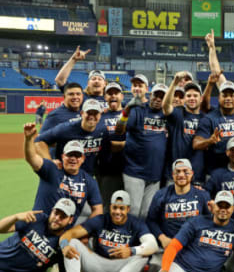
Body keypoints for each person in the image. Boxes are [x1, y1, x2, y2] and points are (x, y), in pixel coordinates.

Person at [117, 191, 234, 272]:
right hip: (181, 270)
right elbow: (173, 246)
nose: (223, 209)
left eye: (227, 206)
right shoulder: (197, 222)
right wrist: (165, 270)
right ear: (213, 206)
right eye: (220, 205)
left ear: (233, 209)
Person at [57, 190, 158, 272]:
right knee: (72, 242)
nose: (117, 212)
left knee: (143, 256)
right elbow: (70, 233)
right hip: (97, 265)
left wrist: (131, 251)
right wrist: (64, 245)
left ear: (128, 209)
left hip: (120, 269)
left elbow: (153, 245)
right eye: (114, 208)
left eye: (122, 208)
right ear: (110, 207)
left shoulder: (136, 223)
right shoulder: (100, 220)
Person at [24, 124, 103, 224]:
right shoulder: (51, 168)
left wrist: (83, 230)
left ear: (83, 159)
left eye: (77, 155)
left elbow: (98, 209)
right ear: (63, 156)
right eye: (70, 155)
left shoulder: (89, 181)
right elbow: (31, 158)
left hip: (63, 233)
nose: (73, 158)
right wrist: (28, 139)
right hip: (38, 225)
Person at [147, 159, 211, 272]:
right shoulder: (161, 195)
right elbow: (151, 220)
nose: (181, 175)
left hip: (193, 247)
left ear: (192, 174)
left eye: (185, 171)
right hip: (168, 245)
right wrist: (162, 238)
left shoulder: (203, 195)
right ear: (173, 175)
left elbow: (209, 222)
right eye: (178, 172)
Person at [119, 83, 169, 219]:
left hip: (155, 174)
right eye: (156, 95)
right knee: (133, 211)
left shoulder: (167, 114)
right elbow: (119, 130)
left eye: (162, 97)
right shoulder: (138, 110)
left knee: (147, 214)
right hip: (135, 171)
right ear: (150, 95)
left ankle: (141, 239)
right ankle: (129, 238)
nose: (158, 99)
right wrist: (126, 111)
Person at [35, 99, 116, 175]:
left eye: (95, 113)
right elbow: (39, 140)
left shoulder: (103, 130)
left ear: (100, 115)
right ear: (82, 113)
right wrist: (50, 162)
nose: (92, 116)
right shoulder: (65, 128)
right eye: (89, 113)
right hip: (62, 175)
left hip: (87, 176)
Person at [163, 72, 210, 186]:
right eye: (188, 96)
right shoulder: (178, 114)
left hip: (198, 175)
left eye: (195, 96)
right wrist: (174, 83)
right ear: (184, 99)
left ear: (201, 98)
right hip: (175, 174)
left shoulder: (207, 119)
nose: (192, 98)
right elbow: (166, 107)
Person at [193, 81, 234, 172]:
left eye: (231, 95)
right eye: (224, 95)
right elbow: (196, 144)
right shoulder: (209, 118)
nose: (228, 98)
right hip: (216, 171)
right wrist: (210, 141)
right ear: (219, 97)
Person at [97, 82, 127, 210]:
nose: (113, 96)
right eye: (109, 93)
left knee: (127, 205)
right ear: (105, 97)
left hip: (129, 168)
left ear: (122, 96)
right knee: (107, 206)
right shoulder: (99, 116)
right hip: (106, 169)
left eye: (116, 93)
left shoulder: (130, 115)